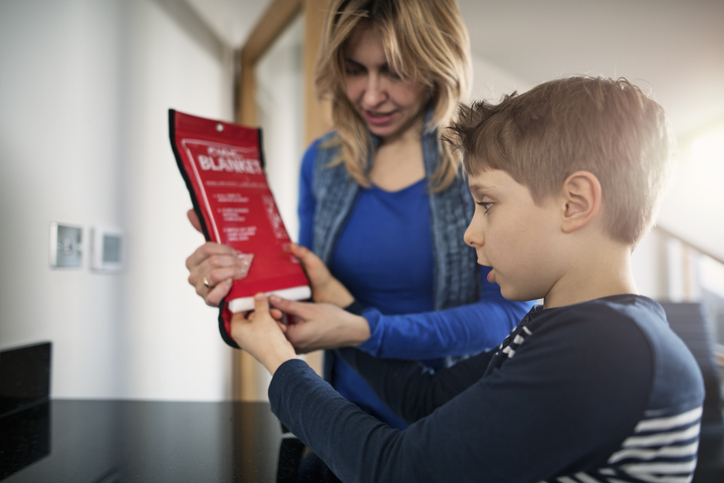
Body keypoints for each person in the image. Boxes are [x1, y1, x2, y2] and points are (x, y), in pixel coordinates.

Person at [229, 76, 705, 482]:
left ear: (574, 203)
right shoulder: (568, 330)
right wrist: (342, 315)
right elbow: (425, 399)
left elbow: (398, 472)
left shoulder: (606, 350)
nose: (470, 232)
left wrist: (279, 359)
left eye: (488, 203)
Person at [185, 0, 531, 429]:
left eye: (396, 71)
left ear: (439, 63)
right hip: (342, 418)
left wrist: (365, 330)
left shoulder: (481, 166)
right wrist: (240, 279)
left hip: (447, 422)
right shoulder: (324, 162)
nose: (370, 95)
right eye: (353, 70)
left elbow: (511, 316)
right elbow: (311, 293)